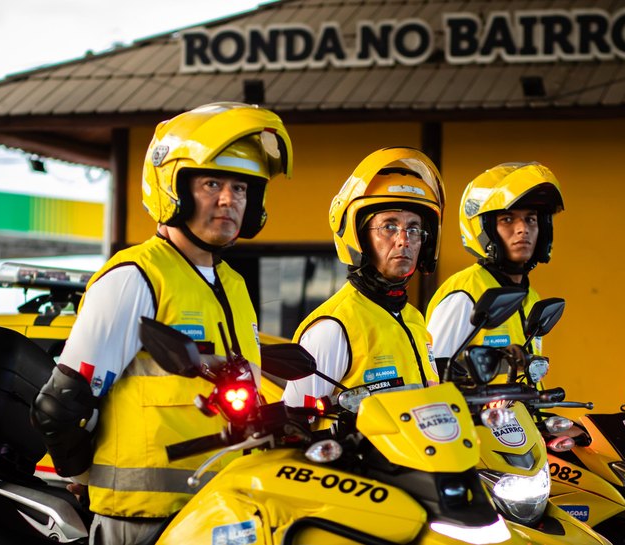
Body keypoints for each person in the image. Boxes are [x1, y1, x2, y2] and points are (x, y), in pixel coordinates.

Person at [30, 102, 292, 545]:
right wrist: (80, 477)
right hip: (142, 524)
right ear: (174, 187)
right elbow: (60, 404)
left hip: (222, 517)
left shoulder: (232, 283)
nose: (230, 200)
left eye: (241, 188)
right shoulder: (135, 277)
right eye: (213, 183)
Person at [282, 147, 444, 409]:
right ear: (360, 238)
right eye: (389, 226)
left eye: (413, 229)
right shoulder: (333, 327)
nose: (404, 240)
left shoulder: (414, 319)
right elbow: (295, 425)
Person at [426, 161, 564, 373]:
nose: (523, 229)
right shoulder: (465, 293)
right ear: (485, 230)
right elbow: (434, 374)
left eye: (531, 220)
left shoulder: (531, 297)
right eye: (508, 219)